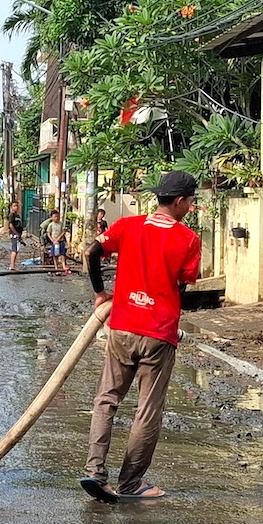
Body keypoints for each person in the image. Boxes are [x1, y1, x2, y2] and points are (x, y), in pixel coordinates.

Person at [79, 171, 201, 501]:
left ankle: (94, 472)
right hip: (159, 334)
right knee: (147, 410)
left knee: (106, 399)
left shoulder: (127, 226)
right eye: (190, 202)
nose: (190, 207)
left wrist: (100, 293)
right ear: (178, 202)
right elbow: (182, 284)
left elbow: (91, 253)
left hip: (121, 327)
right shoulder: (188, 240)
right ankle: (131, 484)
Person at [7, 201, 24, 270]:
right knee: (14, 250)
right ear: (11, 207)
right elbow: (10, 225)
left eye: (17, 206)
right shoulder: (12, 215)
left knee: (16, 250)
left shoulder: (17, 216)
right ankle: (12, 265)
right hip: (14, 234)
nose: (16, 207)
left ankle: (13, 265)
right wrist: (16, 233)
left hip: (18, 234)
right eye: (14, 206)